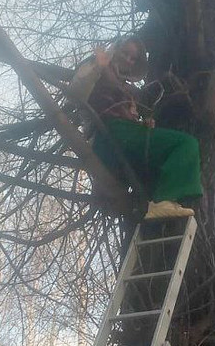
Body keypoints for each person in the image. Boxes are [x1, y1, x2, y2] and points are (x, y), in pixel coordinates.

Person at [67, 37, 202, 219]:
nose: (128, 60)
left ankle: (158, 204)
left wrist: (141, 123)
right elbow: (76, 93)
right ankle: (165, 199)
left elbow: (129, 115)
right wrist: (99, 66)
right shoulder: (96, 68)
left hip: (122, 138)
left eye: (133, 58)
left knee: (157, 165)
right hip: (109, 134)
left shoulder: (128, 89)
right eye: (125, 53)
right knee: (186, 144)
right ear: (116, 51)